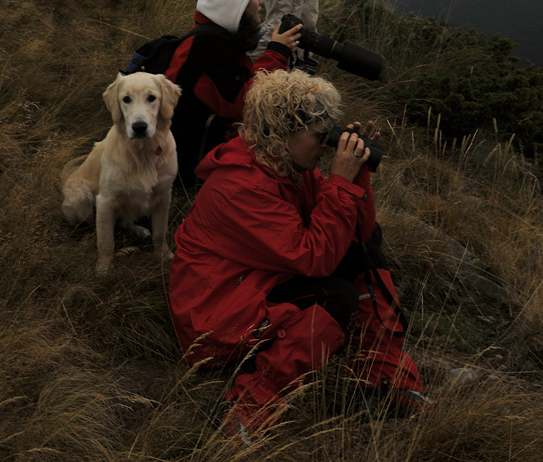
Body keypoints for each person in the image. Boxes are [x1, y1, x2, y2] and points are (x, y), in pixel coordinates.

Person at [169, 69, 431, 448]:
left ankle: (382, 377)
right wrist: (340, 181)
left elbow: (358, 232)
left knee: (365, 248)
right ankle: (245, 409)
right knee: (335, 297)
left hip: (258, 283)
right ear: (281, 134)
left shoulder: (289, 168)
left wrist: (357, 177)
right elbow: (314, 259)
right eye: (320, 135)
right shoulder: (239, 186)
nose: (326, 145)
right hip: (216, 319)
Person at [164, 0, 301, 188]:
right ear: (236, 4)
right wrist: (277, 53)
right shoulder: (207, 46)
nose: (261, 1)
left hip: (193, 152)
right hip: (192, 166)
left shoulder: (215, 39)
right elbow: (251, 104)